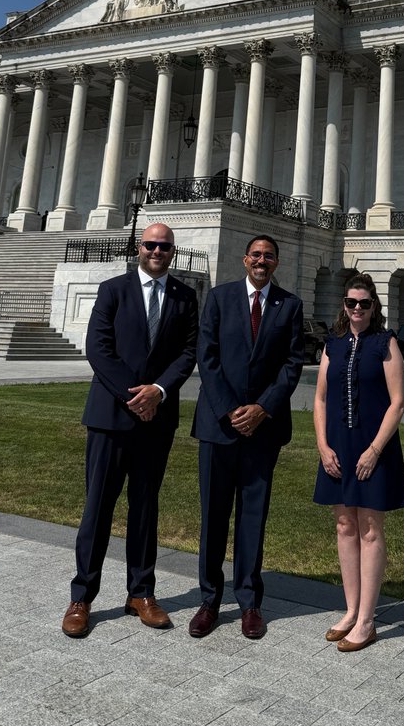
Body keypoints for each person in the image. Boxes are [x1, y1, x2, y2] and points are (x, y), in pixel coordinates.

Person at [61, 222, 198, 638]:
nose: (158, 251)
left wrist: (157, 391)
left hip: (156, 419)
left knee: (145, 507)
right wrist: (132, 395)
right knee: (98, 507)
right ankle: (82, 596)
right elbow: (98, 349)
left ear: (173, 252)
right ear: (139, 248)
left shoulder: (184, 297)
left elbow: (188, 351)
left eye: (165, 246)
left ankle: (141, 592)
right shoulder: (113, 290)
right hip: (111, 417)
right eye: (151, 244)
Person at [189, 234, 304, 640]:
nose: (261, 261)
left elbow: (292, 364)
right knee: (213, 516)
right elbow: (208, 355)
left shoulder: (289, 305)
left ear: (276, 262)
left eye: (268, 256)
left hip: (263, 428)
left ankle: (250, 602)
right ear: (245, 259)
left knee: (253, 517)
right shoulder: (220, 298)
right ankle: (208, 599)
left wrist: (262, 408)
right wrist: (229, 410)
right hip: (219, 426)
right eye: (255, 255)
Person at [313, 273, 404, 651]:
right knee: (343, 525)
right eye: (351, 303)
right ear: (344, 305)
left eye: (364, 304)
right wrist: (322, 445)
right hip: (337, 445)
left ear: (374, 307)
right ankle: (351, 610)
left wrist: (374, 450)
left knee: (370, 528)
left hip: (373, 447)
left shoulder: (385, 343)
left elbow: (397, 402)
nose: (356, 309)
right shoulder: (332, 345)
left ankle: (368, 620)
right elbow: (319, 399)